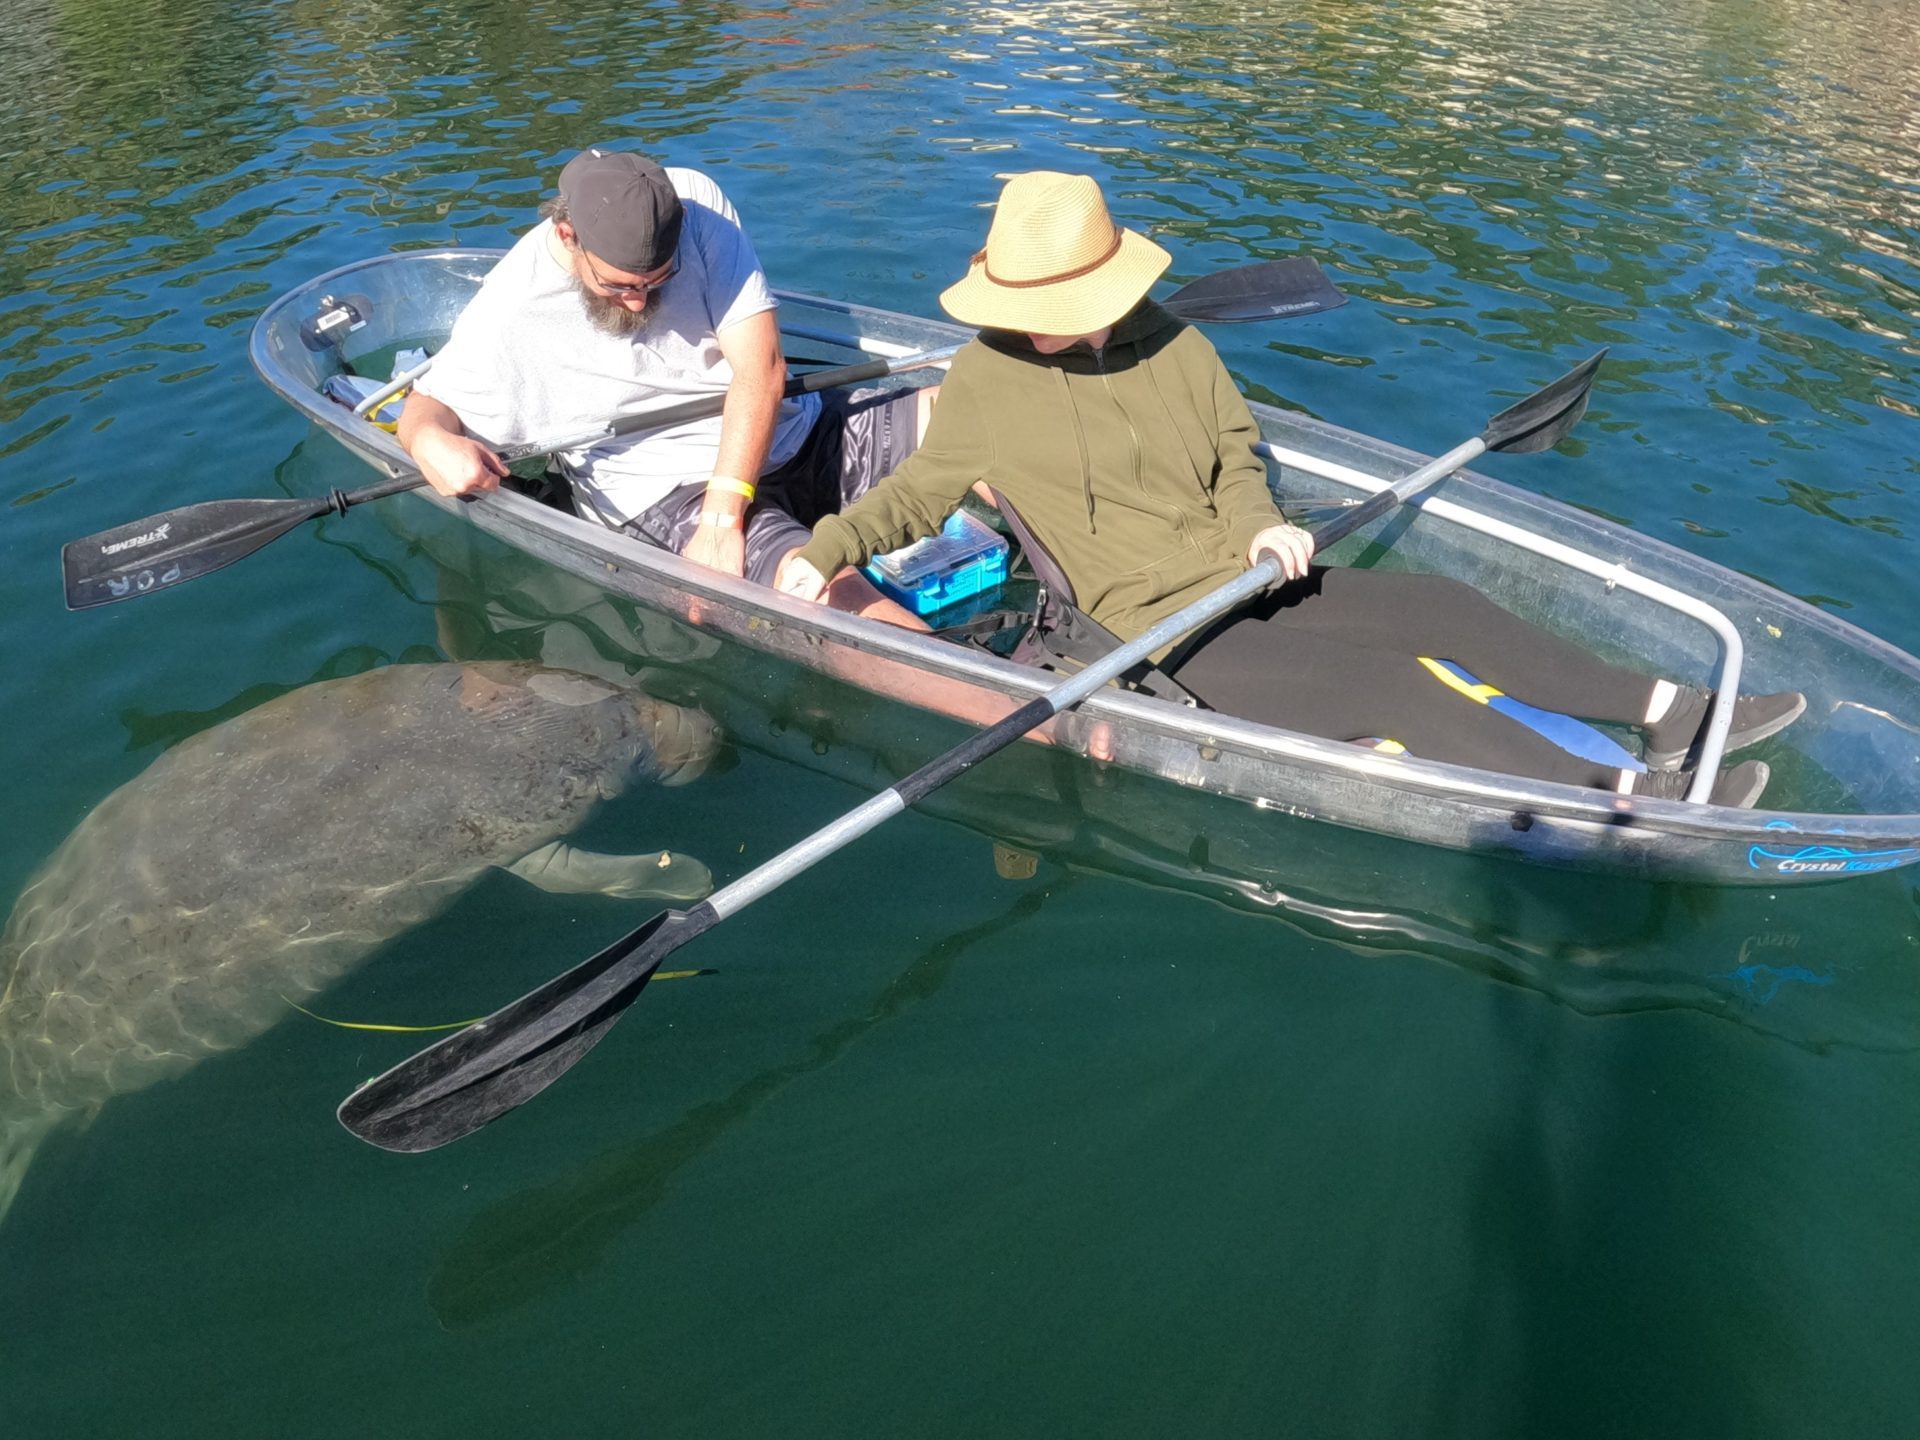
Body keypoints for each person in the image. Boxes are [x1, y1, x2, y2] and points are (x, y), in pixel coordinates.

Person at [775, 171, 1805, 803]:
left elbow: (1233, 450)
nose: (1041, 322)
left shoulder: (1171, 341)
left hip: (1249, 571)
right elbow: (917, 495)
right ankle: (1628, 796)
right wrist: (823, 558)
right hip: (1152, 631)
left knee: (1441, 606)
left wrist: (1263, 526)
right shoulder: (986, 380)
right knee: (1394, 690)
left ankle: (1671, 710)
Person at [398, 144, 928, 624]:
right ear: (567, 236)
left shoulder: (694, 202)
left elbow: (761, 369)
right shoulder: (508, 309)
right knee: (824, 589)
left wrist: (724, 515)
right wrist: (430, 441)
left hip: (788, 430)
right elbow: (426, 407)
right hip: (666, 489)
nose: (637, 301)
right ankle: (975, 690)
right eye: (618, 284)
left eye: (659, 280)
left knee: (958, 418)